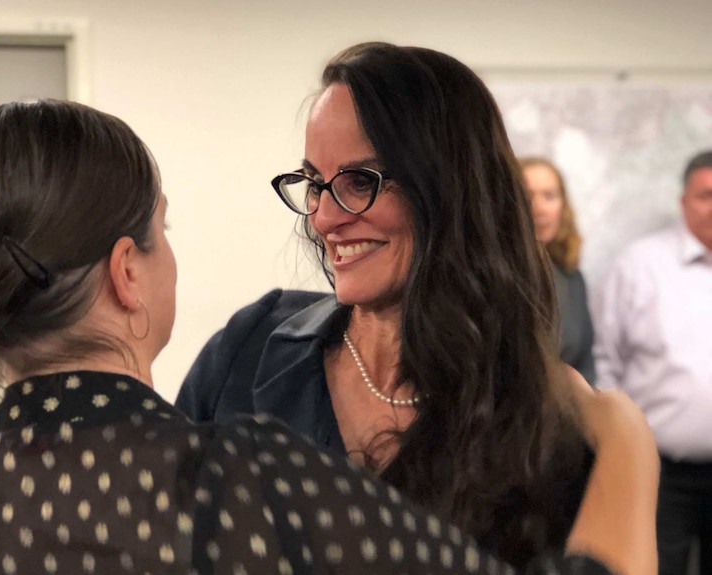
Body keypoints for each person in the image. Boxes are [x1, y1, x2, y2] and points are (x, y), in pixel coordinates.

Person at [0, 99, 655, 575]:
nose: (327, 212)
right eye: (162, 232)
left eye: (357, 180)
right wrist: (625, 439)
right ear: (127, 273)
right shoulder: (259, 484)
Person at [177, 42, 598, 568]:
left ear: (448, 188)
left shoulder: (543, 411)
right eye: (313, 183)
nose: (325, 218)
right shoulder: (248, 348)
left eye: (360, 181)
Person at [594, 149, 712, 575]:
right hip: (663, 475)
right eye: (706, 195)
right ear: (684, 202)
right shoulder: (640, 266)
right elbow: (605, 361)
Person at [518, 157, 596, 384]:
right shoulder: (489, 275)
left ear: (563, 205)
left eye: (549, 196)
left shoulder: (572, 277)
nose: (538, 207)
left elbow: (585, 361)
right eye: (527, 195)